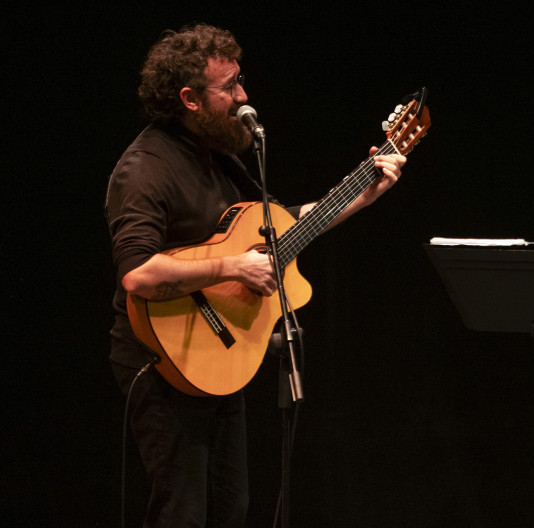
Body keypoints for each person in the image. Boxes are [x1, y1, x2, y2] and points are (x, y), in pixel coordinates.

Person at [105, 24, 406, 527]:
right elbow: (138, 273)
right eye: (229, 88)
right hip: (164, 361)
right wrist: (231, 266)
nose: (244, 97)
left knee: (231, 508)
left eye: (240, 80)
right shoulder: (144, 168)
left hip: (218, 358)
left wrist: (362, 193)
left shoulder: (215, 156)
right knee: (182, 513)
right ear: (190, 99)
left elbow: (274, 229)